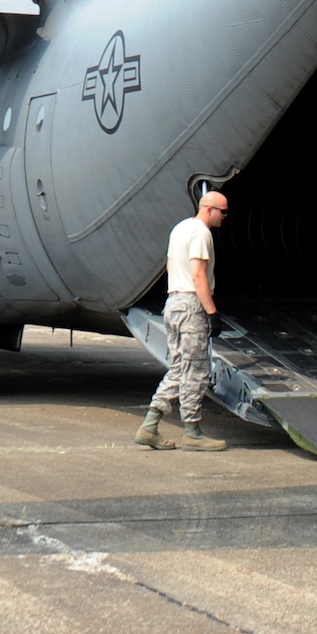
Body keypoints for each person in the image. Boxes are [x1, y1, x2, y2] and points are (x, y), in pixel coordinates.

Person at [137, 190, 229, 452]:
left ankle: (150, 426)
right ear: (209, 209)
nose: (225, 217)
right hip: (191, 305)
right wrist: (211, 313)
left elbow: (169, 266)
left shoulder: (179, 229)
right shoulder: (201, 233)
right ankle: (192, 432)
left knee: (180, 367)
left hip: (173, 303)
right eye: (222, 211)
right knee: (196, 370)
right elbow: (198, 275)